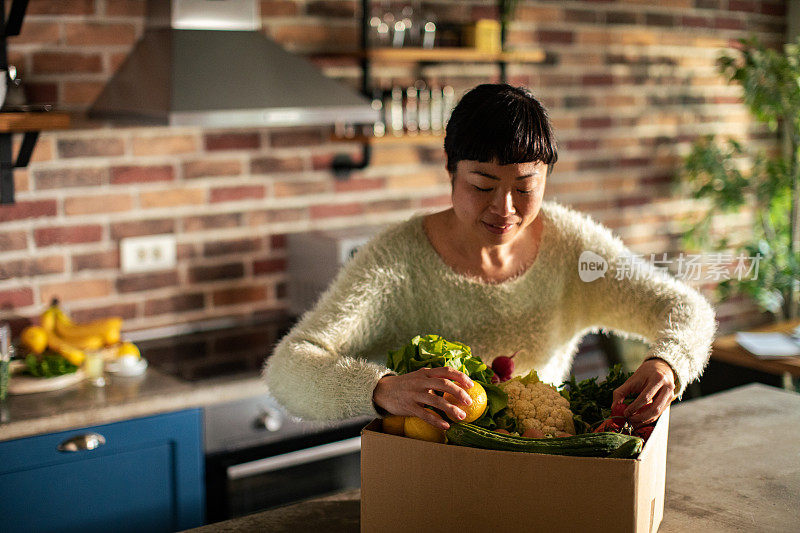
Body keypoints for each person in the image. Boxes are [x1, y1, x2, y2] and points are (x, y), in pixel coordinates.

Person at [263, 83, 717, 431]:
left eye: (525, 188)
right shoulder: (397, 259)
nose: (505, 209)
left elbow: (685, 308)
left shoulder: (570, 244)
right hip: (429, 482)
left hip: (544, 469)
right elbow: (289, 367)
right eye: (482, 186)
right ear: (450, 170)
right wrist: (381, 389)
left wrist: (668, 361)